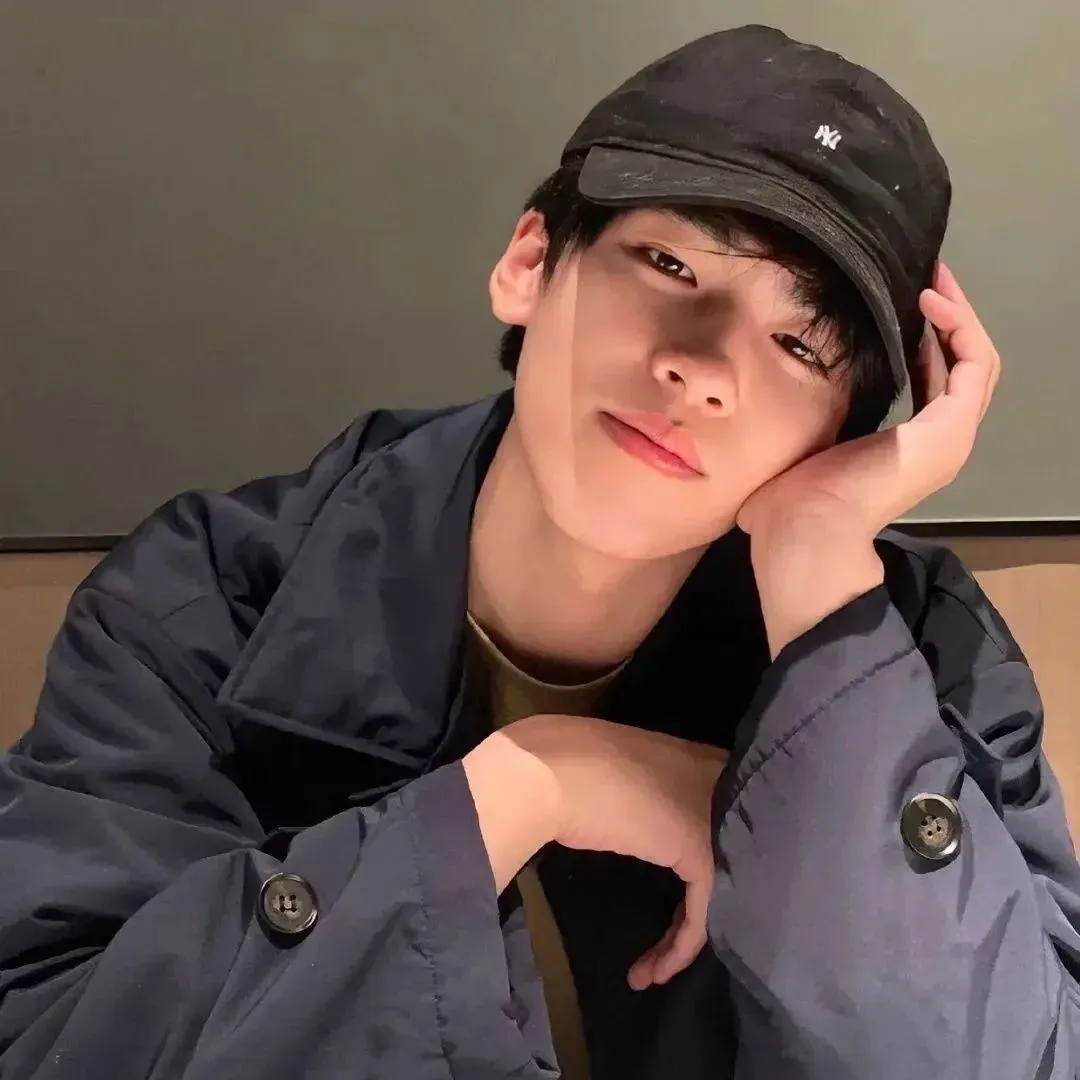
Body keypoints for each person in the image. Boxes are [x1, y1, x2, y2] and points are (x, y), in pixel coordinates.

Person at [0, 22, 1076, 1080]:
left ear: (840, 437)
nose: (705, 370)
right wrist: (531, 789)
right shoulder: (204, 609)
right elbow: (50, 1038)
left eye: (801, 345)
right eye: (669, 262)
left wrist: (818, 570)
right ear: (529, 264)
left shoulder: (919, 656)